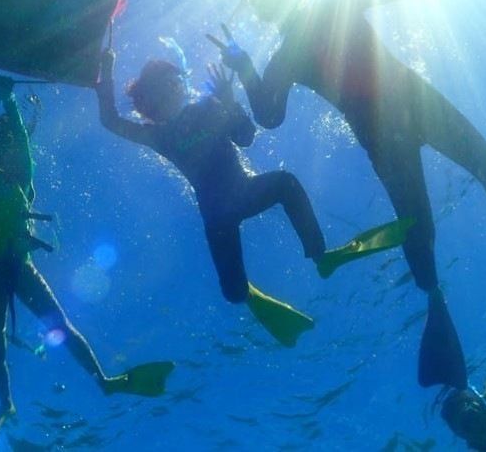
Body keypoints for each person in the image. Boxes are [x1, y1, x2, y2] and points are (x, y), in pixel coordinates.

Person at [207, 0, 486, 389]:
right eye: (263, 0)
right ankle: (448, 291)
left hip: (403, 116)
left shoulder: (330, 7)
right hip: (393, 125)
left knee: (478, 170)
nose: (272, 3)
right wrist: (245, 70)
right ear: (265, 10)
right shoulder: (297, 43)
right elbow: (268, 116)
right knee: (424, 215)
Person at [95, 49, 409, 347]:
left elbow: (246, 138)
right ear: (150, 105)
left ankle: (321, 257)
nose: (174, 90)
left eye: (175, 82)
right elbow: (111, 121)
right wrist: (105, 71)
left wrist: (230, 102)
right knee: (232, 294)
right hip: (216, 215)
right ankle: (249, 294)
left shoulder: (207, 108)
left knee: (286, 183)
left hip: (244, 193)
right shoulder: (159, 136)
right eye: (164, 89)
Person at [0, 74, 174, 415]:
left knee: (59, 328)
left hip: (19, 266)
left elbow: (23, 141)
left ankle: (104, 382)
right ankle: (6, 404)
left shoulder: (18, 174)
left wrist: (7, 99)